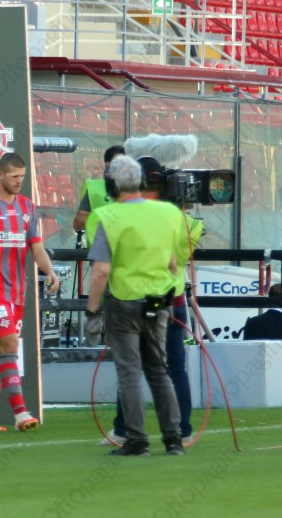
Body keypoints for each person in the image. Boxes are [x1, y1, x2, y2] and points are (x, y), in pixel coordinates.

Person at [87, 156, 186, 456]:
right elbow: (172, 264)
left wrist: (92, 311)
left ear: (111, 185)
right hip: (159, 301)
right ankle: (173, 439)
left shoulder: (108, 216)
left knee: (129, 371)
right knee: (159, 370)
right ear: (141, 182)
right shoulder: (168, 213)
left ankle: (137, 440)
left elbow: (101, 271)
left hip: (123, 302)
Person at [0, 152, 60, 432]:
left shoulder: (28, 207)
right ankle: (20, 414)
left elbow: (36, 247)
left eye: (22, 176)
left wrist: (50, 271)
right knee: (9, 343)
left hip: (17, 292)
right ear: (0, 175)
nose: (19, 181)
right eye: (14, 176)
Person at [75, 145, 124, 347]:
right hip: (105, 257)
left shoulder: (135, 189)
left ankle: (104, 350)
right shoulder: (95, 188)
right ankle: (94, 351)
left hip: (121, 258)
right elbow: (78, 223)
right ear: (106, 164)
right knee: (102, 307)